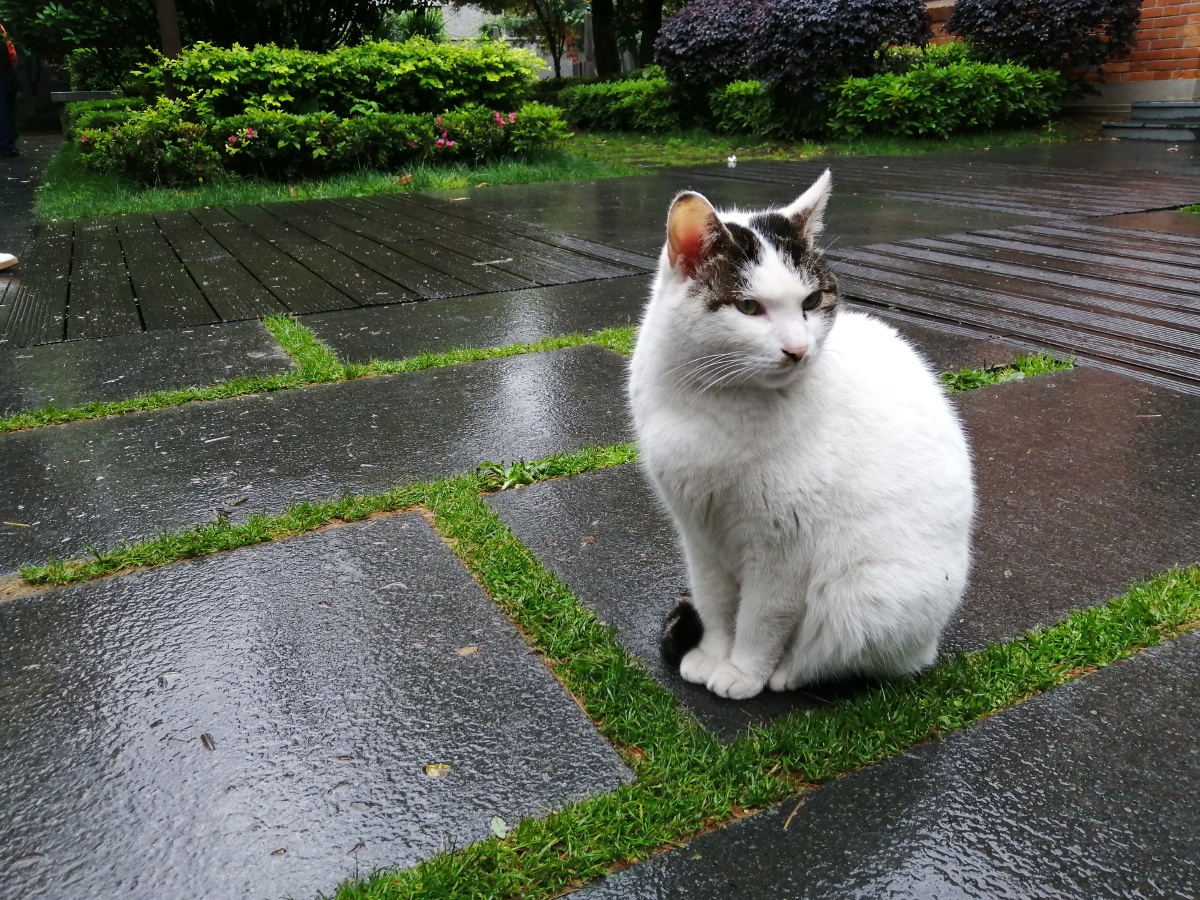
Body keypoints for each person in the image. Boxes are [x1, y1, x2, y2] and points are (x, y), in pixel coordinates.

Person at [0, 20, 19, 158]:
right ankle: (9, 144)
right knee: (8, 110)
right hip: (7, 75)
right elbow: (12, 55)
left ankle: (6, 145)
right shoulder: (1, 31)